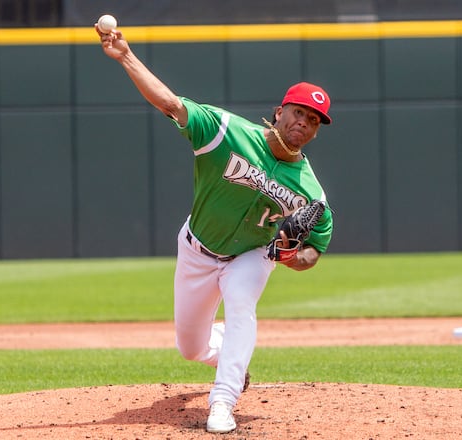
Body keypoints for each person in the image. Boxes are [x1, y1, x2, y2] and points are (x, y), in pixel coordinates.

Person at [96, 25, 334, 433]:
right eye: (299, 112)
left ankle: (223, 402)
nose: (304, 123)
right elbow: (169, 103)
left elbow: (315, 250)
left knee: (242, 303)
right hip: (197, 248)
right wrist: (125, 57)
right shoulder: (226, 131)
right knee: (190, 347)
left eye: (313, 120)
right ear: (280, 111)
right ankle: (226, 353)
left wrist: (292, 255)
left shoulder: (311, 195)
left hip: (252, 254)